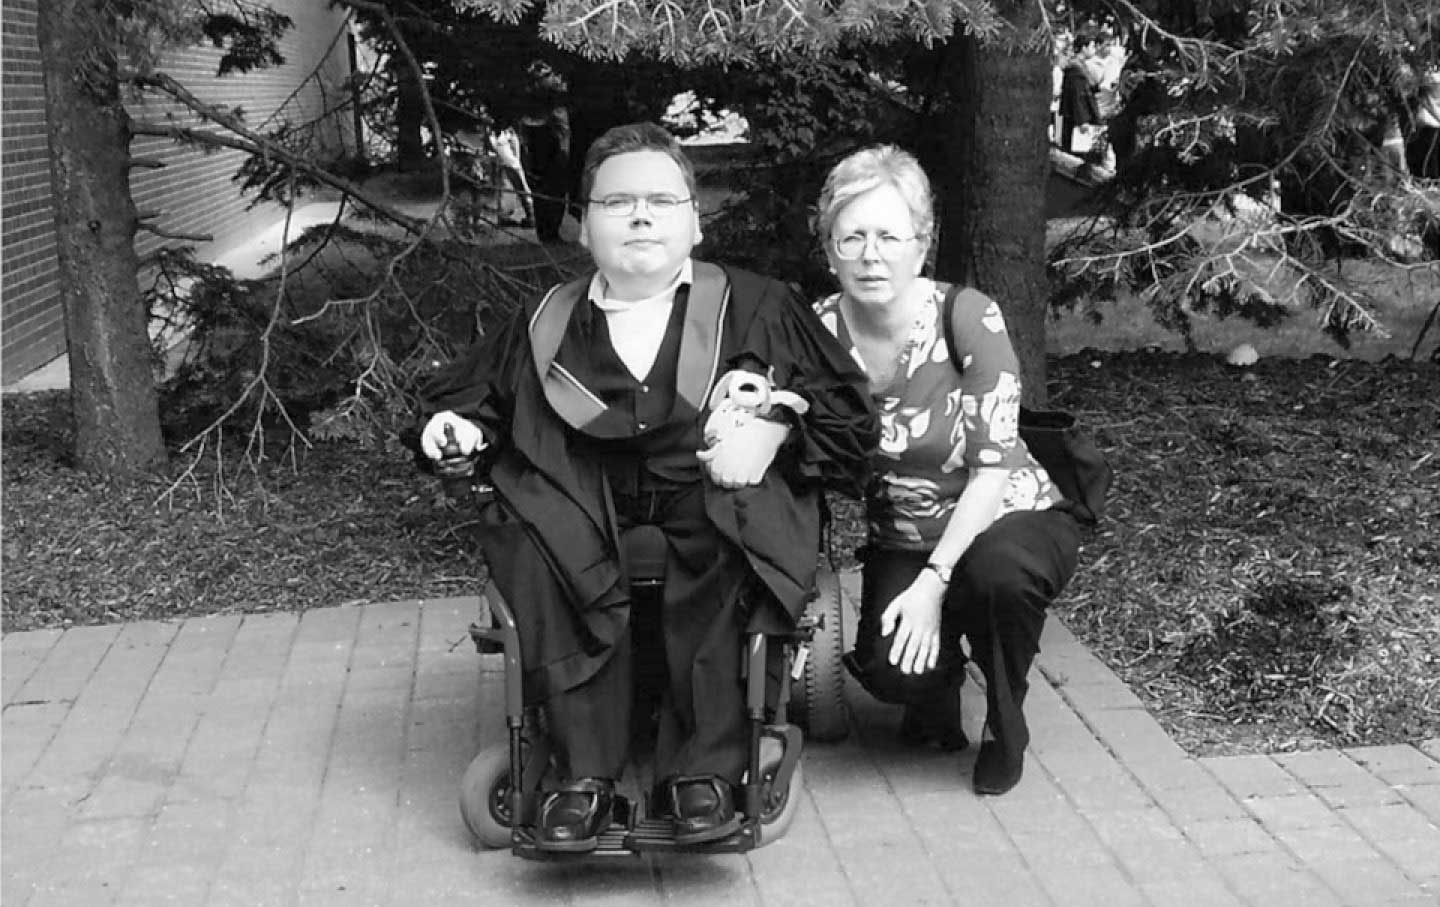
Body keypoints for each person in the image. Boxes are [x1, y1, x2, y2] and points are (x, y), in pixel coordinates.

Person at [418, 122, 876, 851]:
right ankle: (583, 770)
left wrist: (777, 430)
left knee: (739, 524)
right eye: (617, 201)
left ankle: (704, 767)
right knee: (537, 530)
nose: (640, 215)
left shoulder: (755, 305)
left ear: (694, 220)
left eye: (661, 200)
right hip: (584, 501)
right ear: (585, 223)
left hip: (709, 493)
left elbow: (849, 419)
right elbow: (466, 403)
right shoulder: (544, 323)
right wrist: (451, 431)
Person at [809, 146, 1083, 796]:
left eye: (888, 235)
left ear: (920, 244)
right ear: (829, 249)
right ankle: (939, 682)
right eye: (852, 237)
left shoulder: (967, 315)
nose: (871, 254)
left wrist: (934, 584)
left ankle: (1004, 722)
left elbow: (990, 470)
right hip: (903, 533)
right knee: (889, 671)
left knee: (997, 580)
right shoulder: (816, 331)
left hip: (1006, 513)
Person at [490, 125, 534, 226]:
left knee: (509, 172)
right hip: (500, 132)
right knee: (514, 169)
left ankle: (505, 214)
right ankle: (530, 213)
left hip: (509, 131)